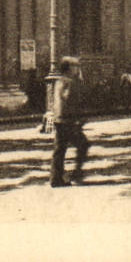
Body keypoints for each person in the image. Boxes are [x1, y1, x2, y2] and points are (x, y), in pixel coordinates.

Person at [44, 56, 91, 187]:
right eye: (76, 66)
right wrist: (78, 118)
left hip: (59, 119)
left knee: (59, 150)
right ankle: (77, 174)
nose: (78, 69)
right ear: (70, 68)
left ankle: (55, 178)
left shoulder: (59, 80)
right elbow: (69, 99)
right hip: (68, 120)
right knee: (83, 145)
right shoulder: (70, 81)